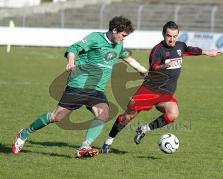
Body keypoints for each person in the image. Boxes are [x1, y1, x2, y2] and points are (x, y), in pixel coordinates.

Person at [11, 16, 148, 158]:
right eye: (123, 35)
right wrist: (71, 61)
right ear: (114, 30)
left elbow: (126, 56)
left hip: (96, 89)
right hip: (79, 84)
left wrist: (142, 69)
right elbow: (74, 48)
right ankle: (24, 133)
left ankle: (84, 147)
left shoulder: (118, 44)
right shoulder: (95, 38)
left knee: (103, 114)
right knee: (56, 117)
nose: (124, 39)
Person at [102, 21, 221, 153]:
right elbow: (153, 67)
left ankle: (143, 129)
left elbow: (190, 50)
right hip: (149, 90)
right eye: (169, 36)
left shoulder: (180, 46)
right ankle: (108, 141)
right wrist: (161, 67)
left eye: (175, 36)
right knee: (128, 117)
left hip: (166, 93)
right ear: (164, 34)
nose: (172, 39)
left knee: (173, 114)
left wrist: (207, 52)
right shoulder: (158, 50)